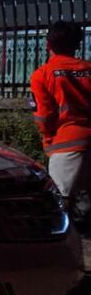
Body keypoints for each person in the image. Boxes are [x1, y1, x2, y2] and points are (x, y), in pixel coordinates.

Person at [31, 21, 91, 227]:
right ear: (77, 45)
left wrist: (46, 136)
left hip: (66, 144)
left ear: (48, 45)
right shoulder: (88, 69)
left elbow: (45, 115)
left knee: (60, 201)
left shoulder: (42, 74)